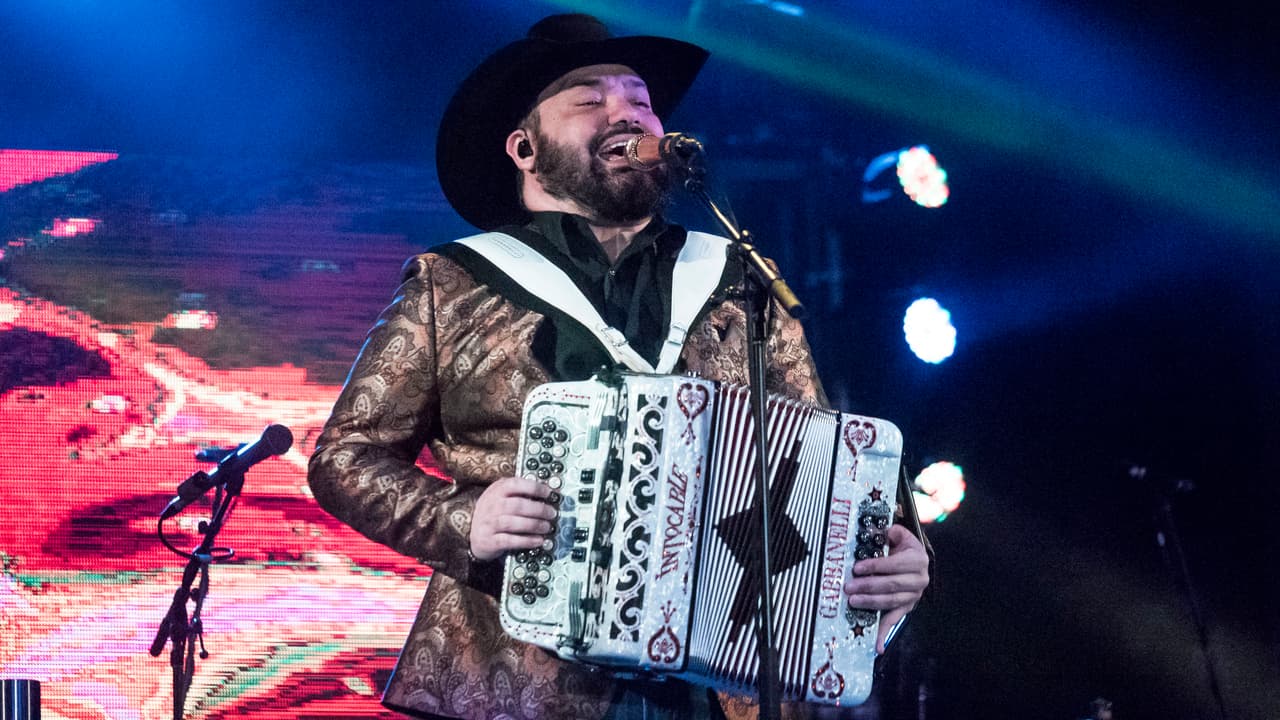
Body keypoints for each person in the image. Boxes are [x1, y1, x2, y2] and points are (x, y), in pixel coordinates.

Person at [307, 13, 930, 720]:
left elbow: (827, 458)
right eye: (589, 99)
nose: (627, 113)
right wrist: (462, 520)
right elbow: (345, 457)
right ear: (523, 147)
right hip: (514, 679)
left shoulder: (735, 278)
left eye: (639, 100)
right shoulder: (454, 283)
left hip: (718, 690)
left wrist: (899, 562)